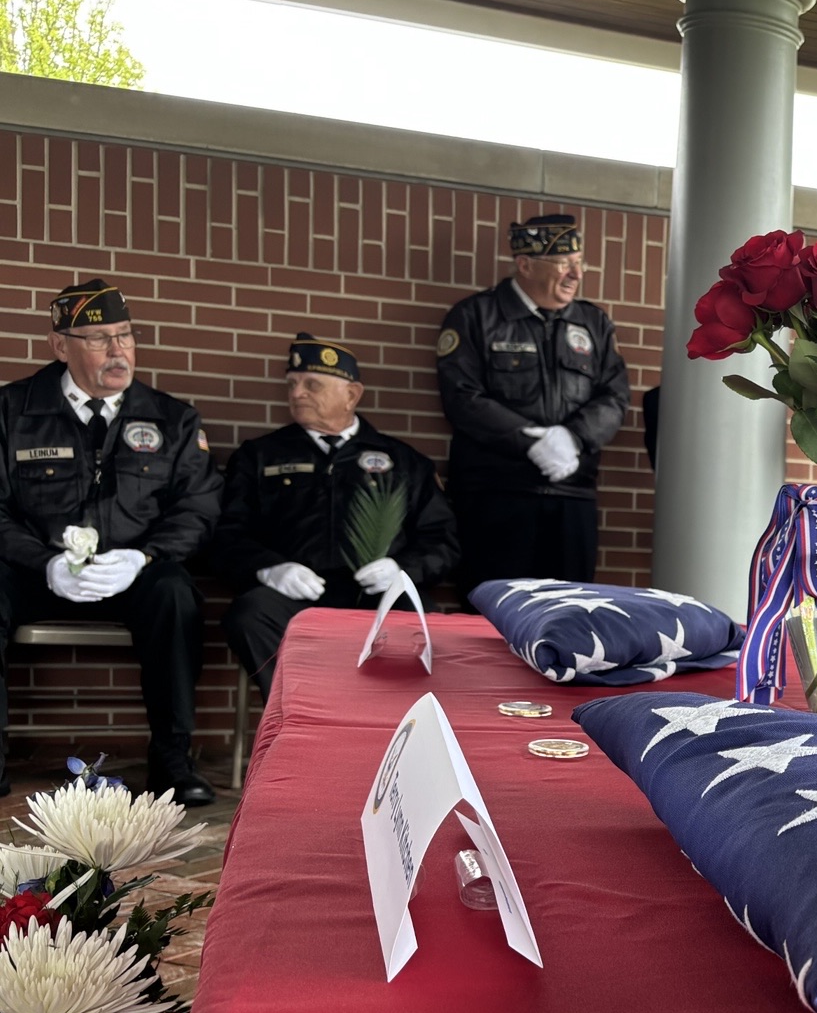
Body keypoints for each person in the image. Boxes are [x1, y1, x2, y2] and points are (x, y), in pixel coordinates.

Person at [0, 280, 221, 803]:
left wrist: (143, 556)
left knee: (176, 594)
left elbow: (201, 505)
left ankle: (172, 761)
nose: (118, 350)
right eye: (99, 338)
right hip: (35, 571)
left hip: (132, 573)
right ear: (60, 346)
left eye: (125, 335)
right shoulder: (11, 411)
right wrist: (44, 561)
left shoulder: (174, 418)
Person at [214, 335, 458, 696]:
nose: (297, 393)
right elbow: (227, 536)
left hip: (375, 596)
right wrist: (269, 568)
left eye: (311, 384)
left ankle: (389, 729)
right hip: (294, 597)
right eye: (292, 384)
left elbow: (443, 542)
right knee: (250, 614)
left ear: (352, 395)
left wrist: (402, 568)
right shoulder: (259, 456)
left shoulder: (403, 462)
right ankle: (293, 716)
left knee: (421, 620)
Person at [435, 212, 629, 590]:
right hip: (495, 495)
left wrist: (572, 439)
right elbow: (462, 398)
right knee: (490, 615)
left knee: (571, 612)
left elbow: (615, 395)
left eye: (579, 263)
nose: (576, 274)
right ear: (524, 264)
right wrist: (532, 442)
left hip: (572, 495)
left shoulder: (594, 324)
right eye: (563, 264)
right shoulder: (475, 315)